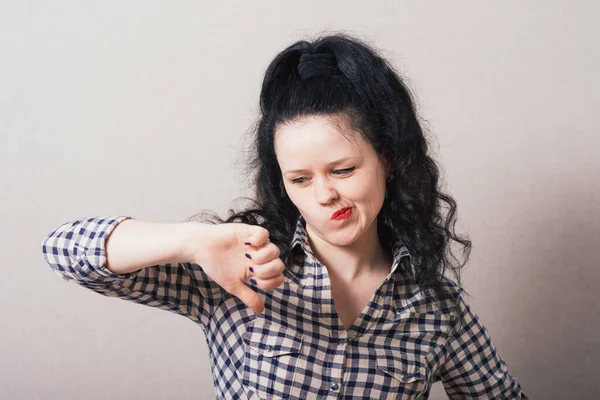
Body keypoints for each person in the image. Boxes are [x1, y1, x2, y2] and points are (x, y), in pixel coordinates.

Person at [41, 33, 528, 399]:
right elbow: (63, 250)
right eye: (300, 179)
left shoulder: (435, 307)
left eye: (343, 169)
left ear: (390, 159)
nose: (325, 195)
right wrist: (193, 241)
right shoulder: (239, 269)